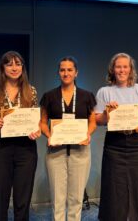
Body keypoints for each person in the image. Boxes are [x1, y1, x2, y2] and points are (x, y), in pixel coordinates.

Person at [95, 52, 138, 221]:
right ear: (112, 69)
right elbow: (97, 120)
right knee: (114, 188)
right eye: (118, 66)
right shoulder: (104, 91)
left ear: (131, 69)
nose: (122, 70)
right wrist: (107, 113)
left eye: (125, 66)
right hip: (115, 144)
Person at [40, 56, 96, 221]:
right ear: (58, 73)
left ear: (76, 72)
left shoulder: (87, 96)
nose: (66, 73)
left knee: (76, 199)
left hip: (80, 152)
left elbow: (92, 121)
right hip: (55, 153)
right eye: (62, 70)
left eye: (70, 70)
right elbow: (43, 123)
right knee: (57, 200)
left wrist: (87, 134)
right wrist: (50, 136)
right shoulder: (49, 96)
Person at [0, 51, 40, 221]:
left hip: (26, 148)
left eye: (18, 64)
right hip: (0, 148)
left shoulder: (31, 91)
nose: (14, 68)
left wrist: (37, 130)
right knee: (0, 197)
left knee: (23, 198)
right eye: (9, 64)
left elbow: (35, 120)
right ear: (2, 68)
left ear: (22, 67)